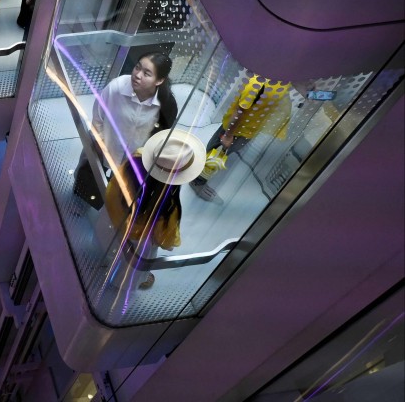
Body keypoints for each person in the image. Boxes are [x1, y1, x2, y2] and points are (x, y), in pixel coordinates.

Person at [73, 51, 178, 209]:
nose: (137, 75)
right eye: (137, 67)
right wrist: (99, 141)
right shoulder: (117, 87)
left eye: (146, 73)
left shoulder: (167, 105)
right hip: (104, 146)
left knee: (121, 191)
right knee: (90, 178)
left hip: (133, 157)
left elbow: (160, 135)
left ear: (159, 80)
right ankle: (81, 203)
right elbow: (98, 117)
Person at [105, 129, 205, 289]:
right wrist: (169, 243)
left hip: (112, 218)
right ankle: (121, 284)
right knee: (129, 267)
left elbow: (112, 188)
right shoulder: (165, 202)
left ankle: (105, 259)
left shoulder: (135, 158)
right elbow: (166, 238)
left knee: (108, 246)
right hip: (136, 240)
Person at [189, 74, 291, 204]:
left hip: (249, 130)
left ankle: (199, 174)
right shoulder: (257, 84)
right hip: (237, 130)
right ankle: (197, 181)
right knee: (218, 153)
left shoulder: (282, 79)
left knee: (220, 151)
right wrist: (228, 135)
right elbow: (239, 112)